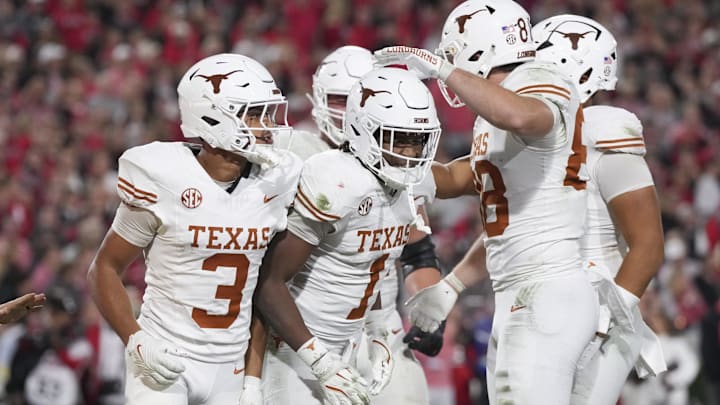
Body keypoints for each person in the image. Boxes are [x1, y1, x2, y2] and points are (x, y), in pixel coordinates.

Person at [375, 1, 599, 403]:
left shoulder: (539, 78)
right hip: (524, 290)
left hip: (546, 288)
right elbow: (466, 178)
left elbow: (524, 117)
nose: (449, 66)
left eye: (454, 55)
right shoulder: (499, 107)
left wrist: (442, 68)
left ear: (479, 49)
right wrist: (390, 167)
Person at [86, 53, 303, 405]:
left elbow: (262, 289)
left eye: (267, 113)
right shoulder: (164, 177)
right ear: (212, 115)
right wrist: (135, 339)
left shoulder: (276, 181)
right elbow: (104, 269)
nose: (266, 126)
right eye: (252, 114)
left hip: (230, 364)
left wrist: (252, 379)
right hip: (166, 356)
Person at [241, 47, 444, 405]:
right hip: (305, 329)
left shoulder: (405, 162)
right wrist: (253, 378)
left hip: (376, 321)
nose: (346, 105)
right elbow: (266, 272)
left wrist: (427, 309)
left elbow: (417, 250)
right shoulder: (297, 156)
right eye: (340, 95)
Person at [529, 14, 668, 404]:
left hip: (599, 304)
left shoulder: (603, 131)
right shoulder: (537, 135)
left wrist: (608, 319)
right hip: (542, 302)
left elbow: (649, 244)